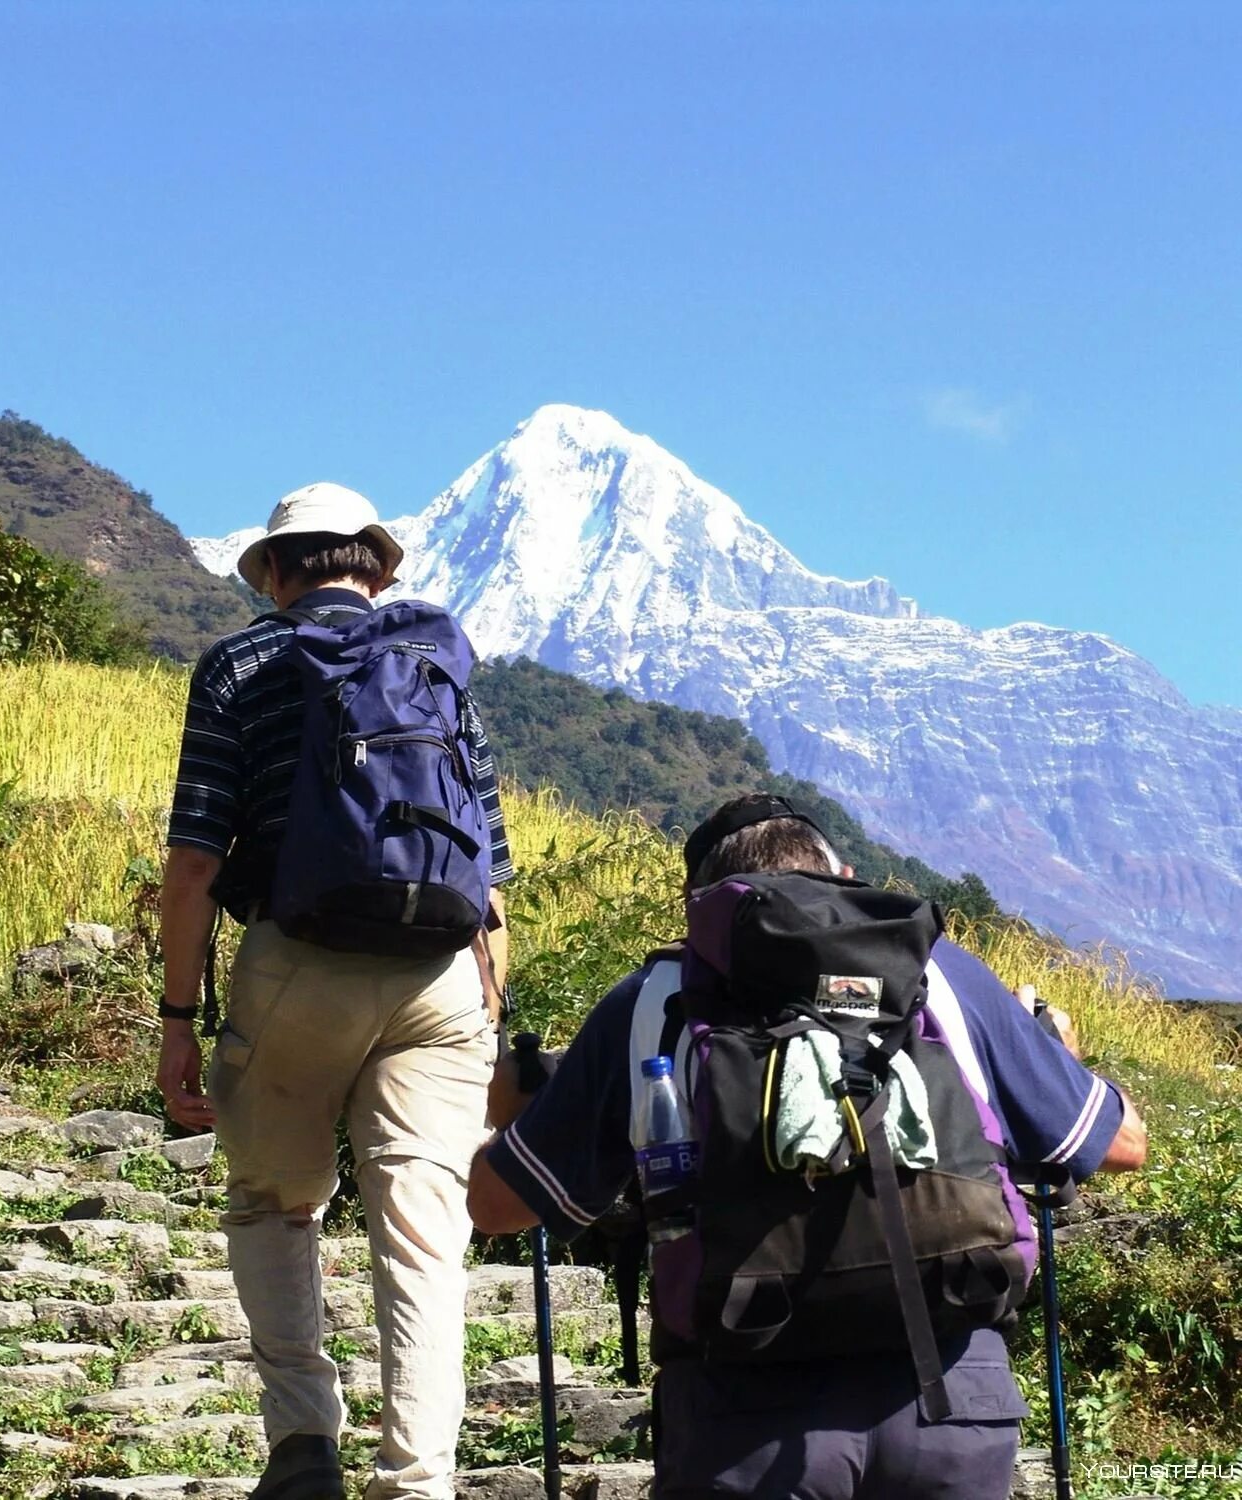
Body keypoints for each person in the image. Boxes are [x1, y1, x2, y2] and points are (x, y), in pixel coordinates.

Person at [468, 794, 1149, 1500]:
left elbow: (495, 1208)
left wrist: (512, 1114)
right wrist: (1054, 1054)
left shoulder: (655, 999)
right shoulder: (942, 974)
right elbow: (1122, 1144)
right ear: (842, 874)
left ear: (695, 907)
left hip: (743, 1412)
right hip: (953, 1395)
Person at [159, 482, 515, 1500]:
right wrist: (486, 1018)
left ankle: (306, 1444)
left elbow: (193, 861)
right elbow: (487, 876)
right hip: (440, 972)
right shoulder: (434, 662)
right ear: (375, 567)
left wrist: (178, 1022)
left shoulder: (239, 662)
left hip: (295, 959)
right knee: (420, 1225)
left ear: (274, 572)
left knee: (274, 1201)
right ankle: (418, 1478)